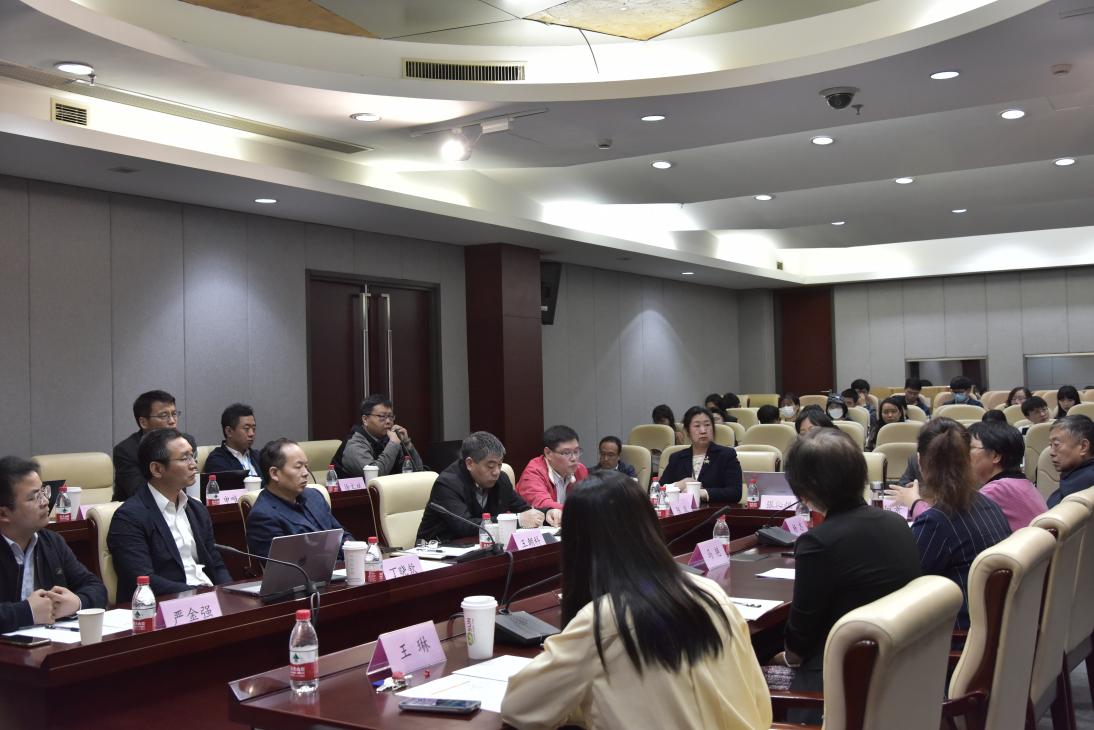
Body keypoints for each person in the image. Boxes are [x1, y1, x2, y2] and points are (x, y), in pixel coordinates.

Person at [500, 471, 772, 730]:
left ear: (576, 545)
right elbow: (759, 703)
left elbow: (520, 708)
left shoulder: (604, 619)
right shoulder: (710, 592)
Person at [779, 430, 921, 717]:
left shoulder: (818, 542)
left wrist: (783, 657)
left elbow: (800, 641)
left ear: (805, 491)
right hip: (899, 669)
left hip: (841, 681)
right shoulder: (895, 522)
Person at [886, 419, 1010, 627]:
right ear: (968, 459)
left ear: (920, 462)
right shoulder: (988, 503)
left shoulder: (937, 521)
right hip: (993, 625)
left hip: (957, 633)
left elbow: (904, 587)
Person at [107, 428, 231, 599]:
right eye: (184, 458)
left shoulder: (197, 509)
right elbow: (143, 579)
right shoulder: (129, 518)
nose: (193, 464)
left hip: (206, 597)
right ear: (157, 469)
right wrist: (197, 594)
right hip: (166, 604)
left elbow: (216, 564)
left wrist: (229, 592)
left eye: (193, 456)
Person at [0, 457, 107, 632]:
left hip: (48, 640)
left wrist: (77, 602)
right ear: (3, 514)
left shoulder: (51, 541)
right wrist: (27, 612)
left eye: (44, 492)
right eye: (34, 497)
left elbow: (96, 588)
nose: (45, 502)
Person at [416, 432, 549, 543]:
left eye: (500, 464)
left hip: (481, 549)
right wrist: (517, 520)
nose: (496, 471)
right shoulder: (447, 484)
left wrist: (547, 513)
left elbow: (524, 510)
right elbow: (465, 526)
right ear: (470, 463)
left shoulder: (501, 479)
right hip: (438, 552)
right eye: (490, 466)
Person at [245, 438, 353, 558]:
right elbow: (285, 564)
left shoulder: (314, 496)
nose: (305, 473)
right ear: (274, 473)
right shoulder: (262, 517)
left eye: (306, 466)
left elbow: (341, 535)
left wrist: (356, 553)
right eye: (298, 467)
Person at [966, 421, 1047, 531]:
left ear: (995, 456)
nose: (963, 454)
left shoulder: (995, 491)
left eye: (969, 448)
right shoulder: (1019, 483)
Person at [660, 406, 742, 503]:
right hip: (682, 511)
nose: (703, 431)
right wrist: (679, 485)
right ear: (687, 431)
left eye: (707, 425)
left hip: (714, 510)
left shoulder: (726, 455)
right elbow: (658, 491)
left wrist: (703, 493)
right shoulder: (677, 458)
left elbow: (735, 492)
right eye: (697, 426)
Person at [112, 389, 179, 501]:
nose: (172, 421)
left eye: (174, 414)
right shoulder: (126, 451)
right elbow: (139, 492)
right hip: (137, 509)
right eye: (164, 415)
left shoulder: (185, 443)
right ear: (143, 422)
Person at [334, 394, 423, 478]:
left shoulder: (390, 438)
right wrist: (393, 444)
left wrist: (407, 443)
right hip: (360, 489)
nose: (388, 421)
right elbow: (375, 476)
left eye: (391, 416)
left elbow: (418, 471)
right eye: (382, 416)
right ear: (365, 420)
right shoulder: (354, 444)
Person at [516, 426, 588, 519]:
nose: (574, 458)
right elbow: (542, 505)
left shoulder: (580, 470)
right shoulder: (533, 472)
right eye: (566, 453)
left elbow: (589, 500)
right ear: (548, 453)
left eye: (576, 451)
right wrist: (583, 511)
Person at [1045, 415, 1094, 507]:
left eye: (1056, 444)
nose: (1051, 453)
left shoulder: (1080, 485)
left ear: (1083, 447)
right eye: (1050, 445)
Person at [202, 403, 260, 476]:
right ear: (229, 431)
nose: (251, 433)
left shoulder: (258, 456)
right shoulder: (217, 460)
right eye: (246, 428)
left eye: (254, 428)